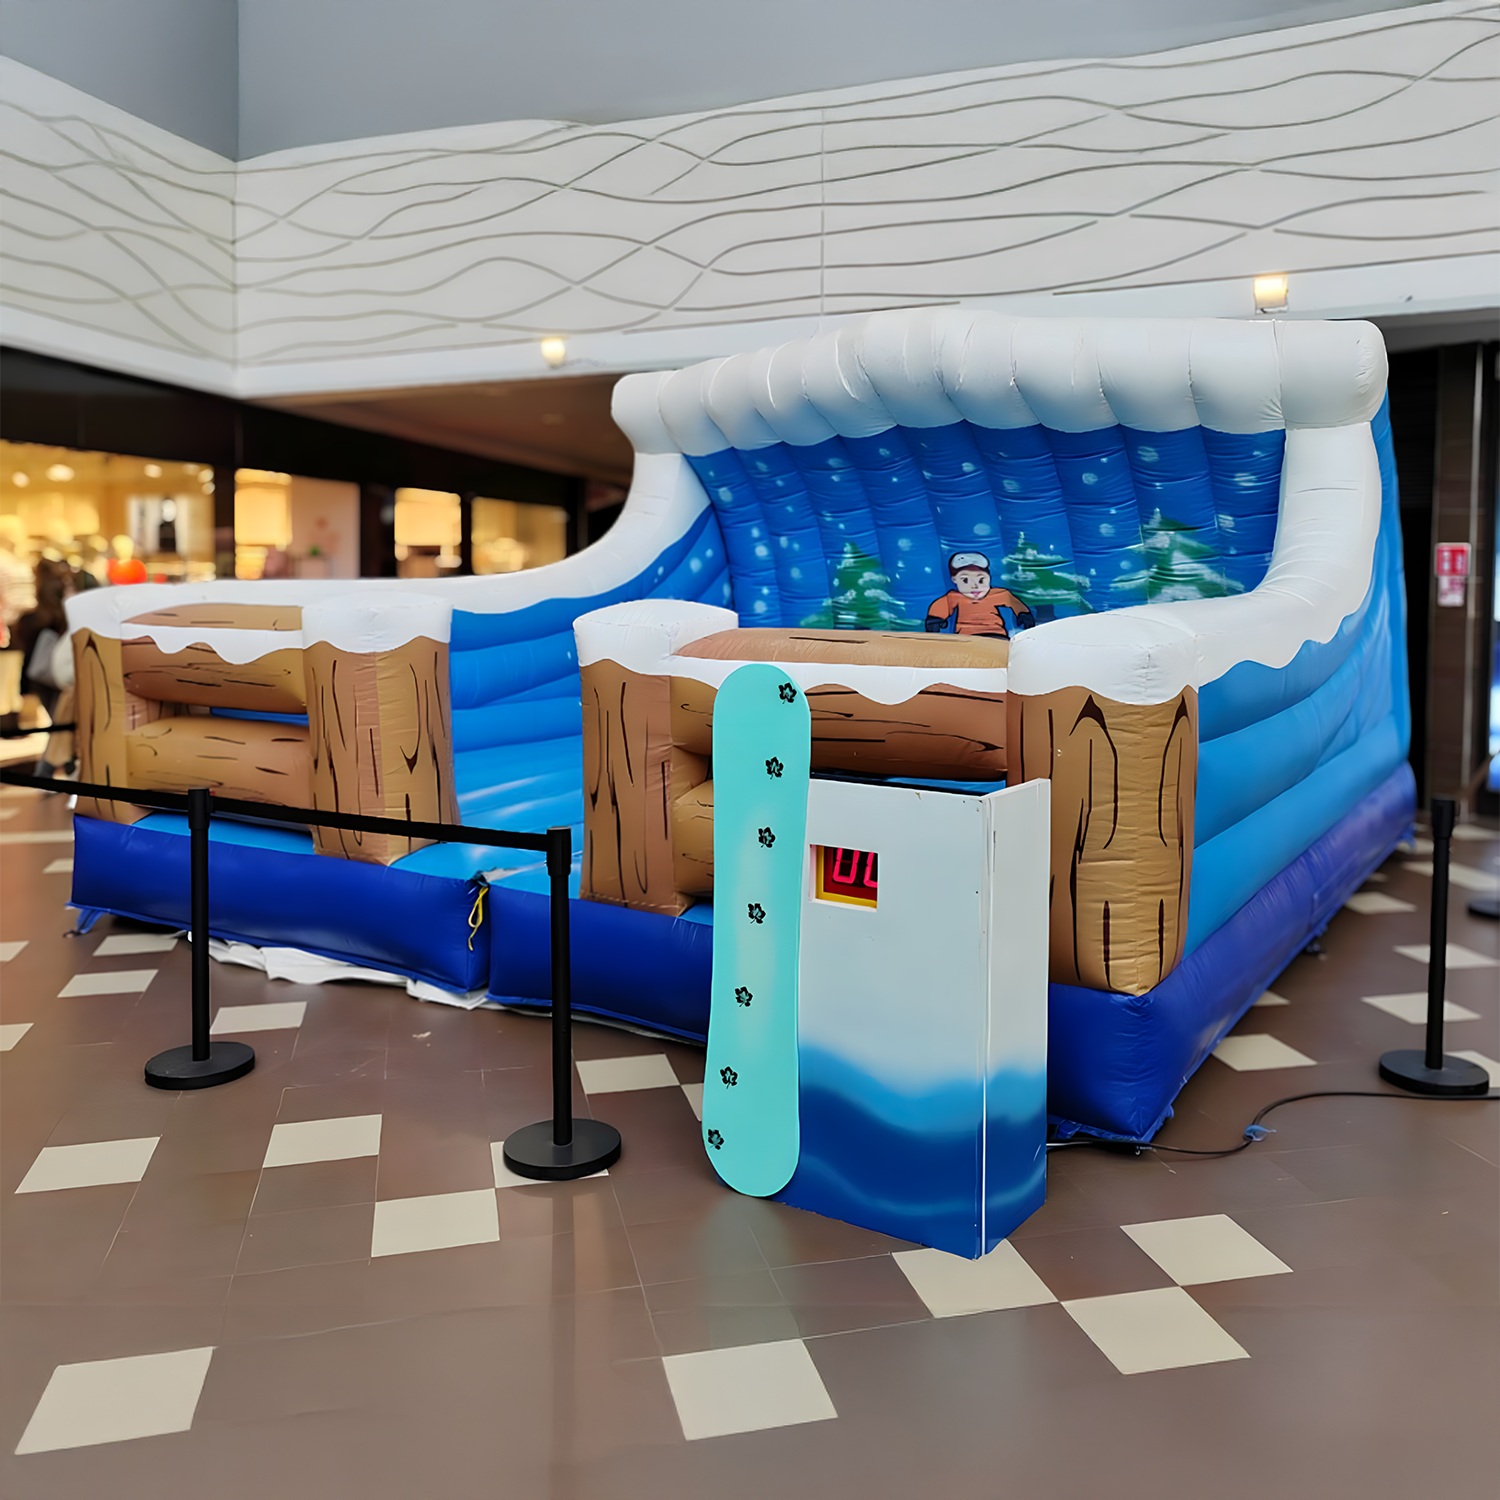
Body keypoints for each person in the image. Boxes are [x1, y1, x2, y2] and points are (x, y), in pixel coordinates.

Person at [924, 551, 1035, 639]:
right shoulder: (953, 598)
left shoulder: (1000, 594)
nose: (975, 586)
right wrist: (935, 619)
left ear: (989, 578)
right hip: (967, 638)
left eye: (981, 580)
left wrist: (1023, 614)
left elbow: (1016, 604)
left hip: (996, 636)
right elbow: (939, 607)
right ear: (954, 580)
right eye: (965, 580)